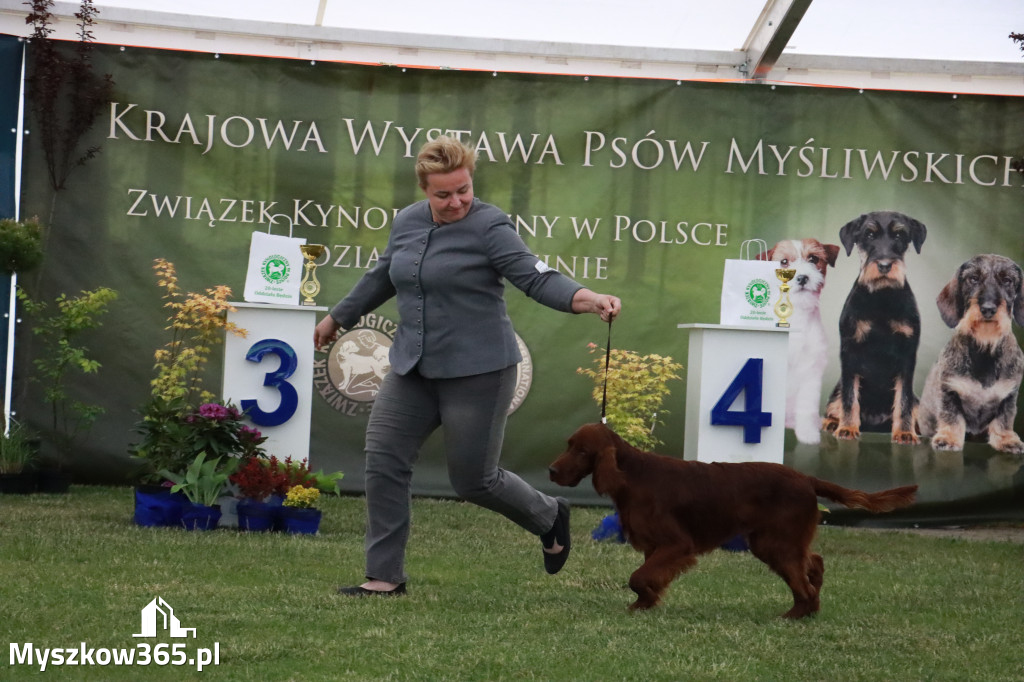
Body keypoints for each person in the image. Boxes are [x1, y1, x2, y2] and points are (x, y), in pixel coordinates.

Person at [315, 135, 621, 596]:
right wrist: (339, 316)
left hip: (478, 371)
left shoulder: (490, 225)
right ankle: (384, 577)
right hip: (412, 367)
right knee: (383, 459)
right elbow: (383, 274)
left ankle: (548, 515)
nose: (456, 201)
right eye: (444, 194)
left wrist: (589, 298)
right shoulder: (408, 222)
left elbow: (535, 277)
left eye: (464, 190)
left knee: (474, 480)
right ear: (424, 189)